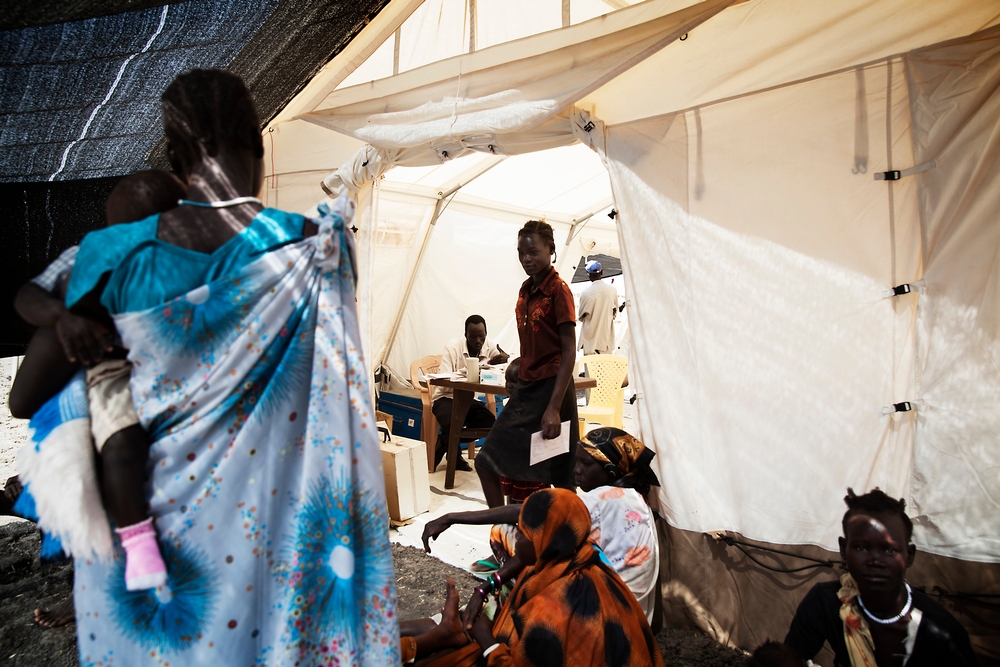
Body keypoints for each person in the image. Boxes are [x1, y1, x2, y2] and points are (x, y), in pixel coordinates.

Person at [61, 69, 396, 664]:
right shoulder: (314, 247)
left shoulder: (115, 255)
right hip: (269, 536)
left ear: (172, 156)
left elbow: (38, 389)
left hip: (149, 525)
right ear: (258, 144)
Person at [10, 170, 187, 595]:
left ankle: (103, 586)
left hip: (145, 377)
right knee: (109, 452)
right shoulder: (85, 258)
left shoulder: (180, 266)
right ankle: (99, 582)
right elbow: (27, 297)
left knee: (119, 463)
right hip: (93, 374)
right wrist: (63, 317)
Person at [422, 427, 661, 622]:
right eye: (576, 462)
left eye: (585, 464)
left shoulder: (603, 499)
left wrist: (450, 517)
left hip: (601, 614)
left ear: (609, 470)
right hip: (634, 615)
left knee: (502, 533)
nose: (576, 470)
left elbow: (522, 511)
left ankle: (512, 597)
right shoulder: (635, 498)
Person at [420, 488, 665, 667]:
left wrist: (486, 639)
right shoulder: (584, 556)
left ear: (543, 540)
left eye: (523, 534)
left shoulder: (550, 611)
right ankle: (446, 632)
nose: (516, 539)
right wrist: (484, 589)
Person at [784, 488, 977, 667]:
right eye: (861, 548)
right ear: (843, 549)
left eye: (889, 550)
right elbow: (786, 659)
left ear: (909, 555)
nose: (875, 561)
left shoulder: (942, 631)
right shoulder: (826, 603)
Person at [474, 220, 579, 508]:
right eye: (522, 253)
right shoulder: (526, 290)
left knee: (562, 473)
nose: (527, 259)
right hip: (528, 388)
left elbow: (569, 351)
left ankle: (576, 539)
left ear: (551, 250)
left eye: (533, 252)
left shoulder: (559, 290)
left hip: (553, 390)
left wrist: (554, 408)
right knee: (486, 461)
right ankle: (504, 537)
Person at [431, 315, 508, 472]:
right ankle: (455, 455)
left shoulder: (489, 346)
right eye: (473, 337)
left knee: (489, 422)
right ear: (466, 335)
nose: (478, 340)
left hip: (469, 398)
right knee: (452, 421)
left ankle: (445, 442)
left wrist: (505, 359)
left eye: (482, 336)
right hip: (446, 397)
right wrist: (467, 373)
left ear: (486, 334)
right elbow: (444, 380)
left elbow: (507, 366)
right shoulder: (453, 347)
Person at [577, 259, 619, 355]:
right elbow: (614, 314)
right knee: (605, 369)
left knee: (591, 370)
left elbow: (580, 317)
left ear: (589, 275)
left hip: (590, 343)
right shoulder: (612, 291)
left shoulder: (585, 293)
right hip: (606, 342)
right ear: (602, 272)